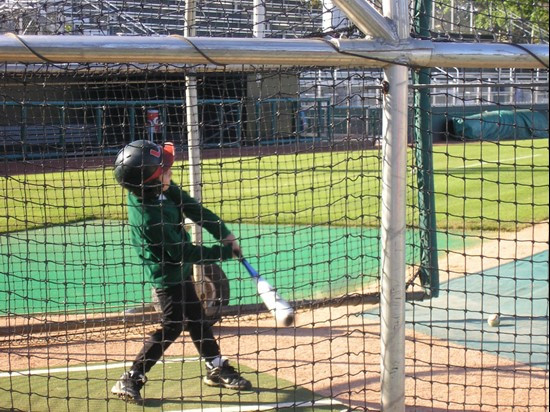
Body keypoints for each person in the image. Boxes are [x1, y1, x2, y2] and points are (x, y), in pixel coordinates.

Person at [111, 139, 251, 403]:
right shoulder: (151, 217)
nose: (170, 173)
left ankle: (215, 367)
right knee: (173, 324)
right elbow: (184, 253)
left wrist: (224, 234)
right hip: (167, 275)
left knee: (197, 317)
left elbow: (191, 206)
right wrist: (224, 253)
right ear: (150, 181)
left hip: (179, 267)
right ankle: (131, 376)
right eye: (165, 170)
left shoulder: (157, 189)